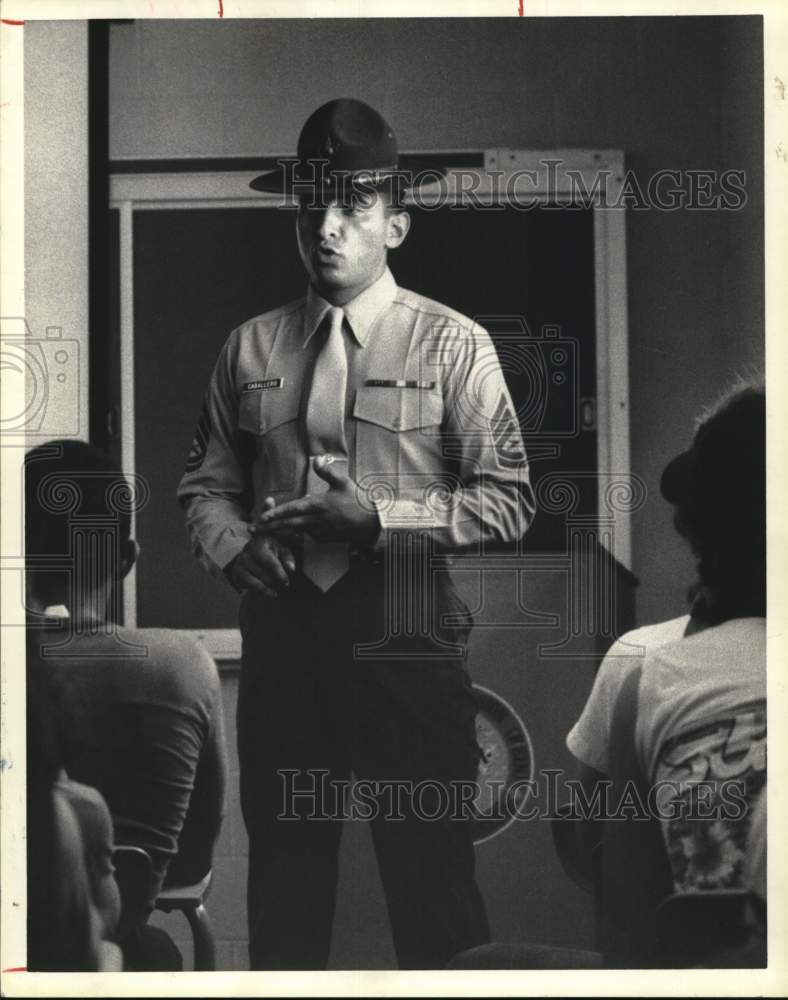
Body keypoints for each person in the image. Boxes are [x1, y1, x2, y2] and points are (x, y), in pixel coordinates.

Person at [178, 98, 535, 969]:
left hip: (406, 634)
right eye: (311, 206)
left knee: (434, 890)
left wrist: (378, 520)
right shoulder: (248, 350)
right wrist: (234, 548)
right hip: (286, 639)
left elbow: (510, 498)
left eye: (354, 207)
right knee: (286, 897)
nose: (328, 228)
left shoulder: (455, 346)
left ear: (398, 223)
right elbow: (204, 489)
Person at [25, 439, 228, 967]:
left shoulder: (16, 667)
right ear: (126, 560)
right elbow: (193, 860)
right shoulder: (185, 666)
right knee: (158, 953)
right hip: (118, 940)